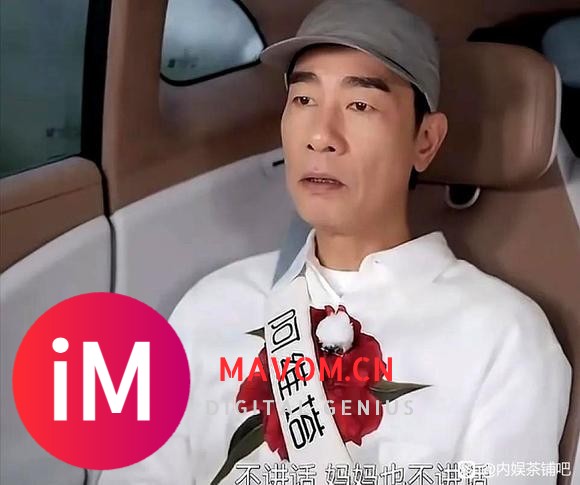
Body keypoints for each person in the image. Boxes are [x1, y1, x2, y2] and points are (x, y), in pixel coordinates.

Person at [100, 0, 571, 483]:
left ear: (425, 140)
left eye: (360, 105)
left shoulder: (503, 338)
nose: (321, 135)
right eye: (303, 100)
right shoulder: (211, 306)